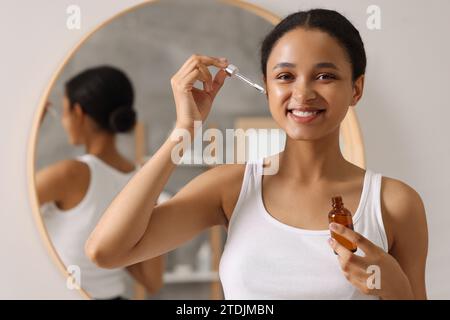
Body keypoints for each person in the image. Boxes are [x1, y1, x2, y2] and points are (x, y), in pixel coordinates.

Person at [86, 9, 428, 299]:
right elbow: (106, 251)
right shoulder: (230, 187)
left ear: (356, 88)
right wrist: (184, 130)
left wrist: (390, 280)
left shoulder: (394, 203)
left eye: (325, 75)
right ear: (267, 88)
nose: (303, 92)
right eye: (285, 76)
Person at [37, 66, 164, 299]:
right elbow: (153, 280)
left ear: (78, 112)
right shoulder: (142, 182)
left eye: (64, 112)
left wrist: (31, 130)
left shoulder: (70, 173)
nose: (64, 121)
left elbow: (9, 198)